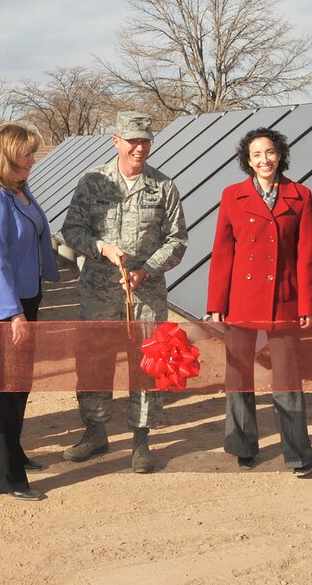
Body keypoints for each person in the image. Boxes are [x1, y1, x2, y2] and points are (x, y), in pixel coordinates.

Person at [61, 111, 188, 473]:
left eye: (145, 140)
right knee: (94, 362)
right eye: (132, 140)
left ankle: (142, 439)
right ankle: (95, 432)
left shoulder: (163, 187)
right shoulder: (93, 183)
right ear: (116, 140)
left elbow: (177, 240)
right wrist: (101, 247)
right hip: (99, 290)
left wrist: (145, 271)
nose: (139, 147)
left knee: (148, 362)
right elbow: (72, 231)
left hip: (146, 294)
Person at [207, 127, 312, 477]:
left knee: (287, 379)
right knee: (239, 376)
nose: (264, 160)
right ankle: (242, 446)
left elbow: (306, 254)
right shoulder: (231, 196)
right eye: (256, 154)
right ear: (248, 160)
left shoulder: (301, 195)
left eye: (269, 152)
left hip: (284, 299)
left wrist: (307, 305)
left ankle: (298, 453)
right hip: (241, 299)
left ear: (280, 154)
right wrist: (216, 302)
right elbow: (223, 252)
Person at [0, 123, 59, 501]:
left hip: (24, 295)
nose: (33, 160)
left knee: (20, 382)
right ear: (6, 155)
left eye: (33, 153)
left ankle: (14, 451)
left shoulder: (19, 189)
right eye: (27, 154)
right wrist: (11, 313)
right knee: (2, 388)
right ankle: (8, 477)